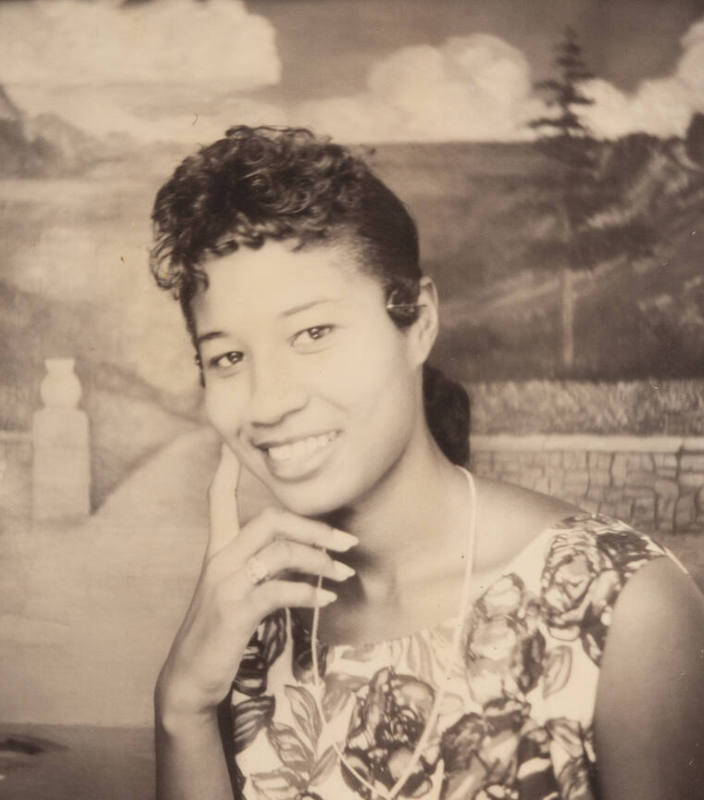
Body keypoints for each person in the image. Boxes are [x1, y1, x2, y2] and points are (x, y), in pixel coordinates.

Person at [149, 126, 704, 800]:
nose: (268, 402)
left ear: (417, 323)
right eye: (228, 357)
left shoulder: (624, 609)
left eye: (313, 333)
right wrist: (182, 708)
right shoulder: (248, 621)